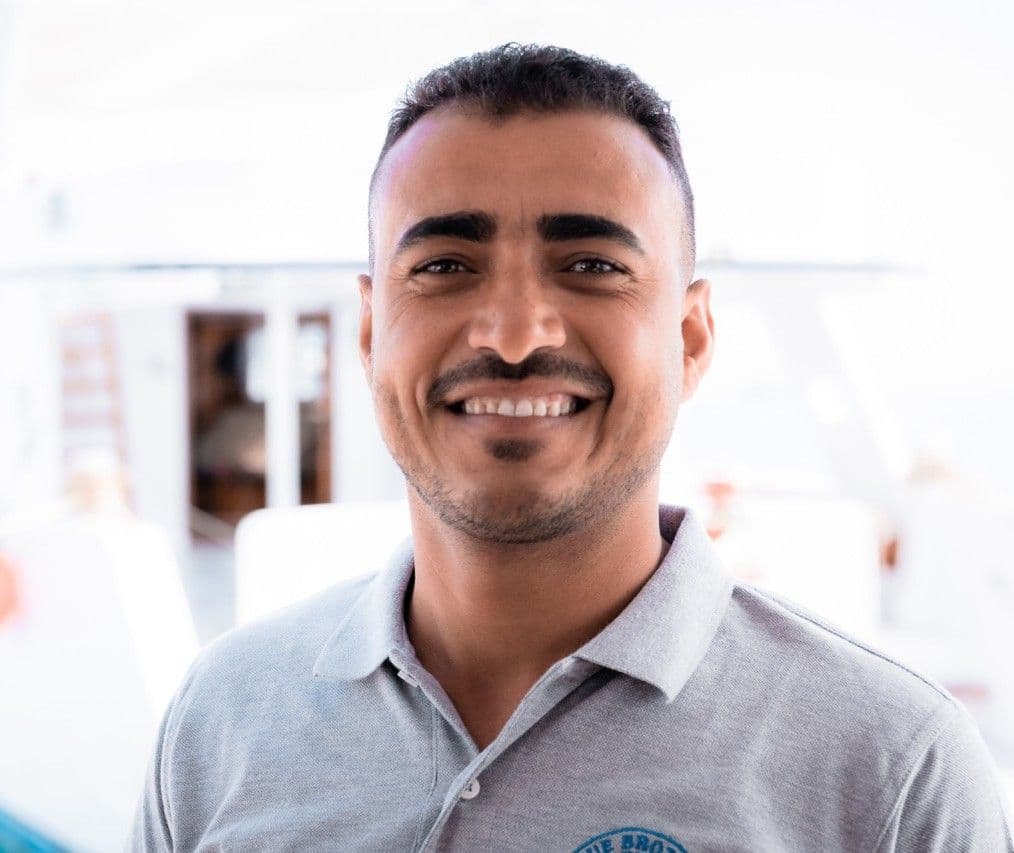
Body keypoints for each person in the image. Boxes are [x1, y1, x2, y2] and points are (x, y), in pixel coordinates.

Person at [130, 44, 1013, 851]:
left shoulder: (893, 773)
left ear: (691, 339)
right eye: (444, 266)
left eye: (591, 265)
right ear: (369, 334)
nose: (514, 334)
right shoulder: (220, 723)